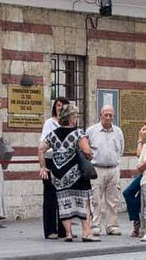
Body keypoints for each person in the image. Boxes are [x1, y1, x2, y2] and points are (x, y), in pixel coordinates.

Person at [37, 104, 101, 243]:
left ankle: (68, 234)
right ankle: (86, 232)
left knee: (63, 202)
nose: (76, 119)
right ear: (72, 118)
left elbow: (41, 149)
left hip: (58, 174)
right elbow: (87, 151)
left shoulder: (53, 134)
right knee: (85, 202)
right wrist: (89, 156)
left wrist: (43, 167)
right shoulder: (78, 133)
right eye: (76, 116)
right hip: (76, 174)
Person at [86, 105, 124, 236]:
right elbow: (86, 149)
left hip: (113, 169)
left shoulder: (118, 131)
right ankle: (95, 225)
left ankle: (112, 225)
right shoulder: (91, 131)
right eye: (106, 115)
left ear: (113, 116)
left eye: (110, 115)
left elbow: (121, 149)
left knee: (112, 200)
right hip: (97, 169)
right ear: (100, 115)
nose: (108, 117)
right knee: (95, 199)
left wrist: (115, 161)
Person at [40, 96, 70, 239]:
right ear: (54, 107)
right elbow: (44, 145)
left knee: (64, 196)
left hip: (65, 162)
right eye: (58, 105)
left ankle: (64, 231)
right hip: (51, 161)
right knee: (50, 196)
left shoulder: (70, 123)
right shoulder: (49, 123)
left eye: (63, 106)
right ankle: (50, 230)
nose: (60, 108)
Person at [122, 125, 146, 237]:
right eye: (142, 129)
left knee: (140, 198)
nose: (143, 131)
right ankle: (136, 219)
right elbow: (139, 155)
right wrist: (140, 140)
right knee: (128, 192)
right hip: (144, 174)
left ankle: (137, 226)